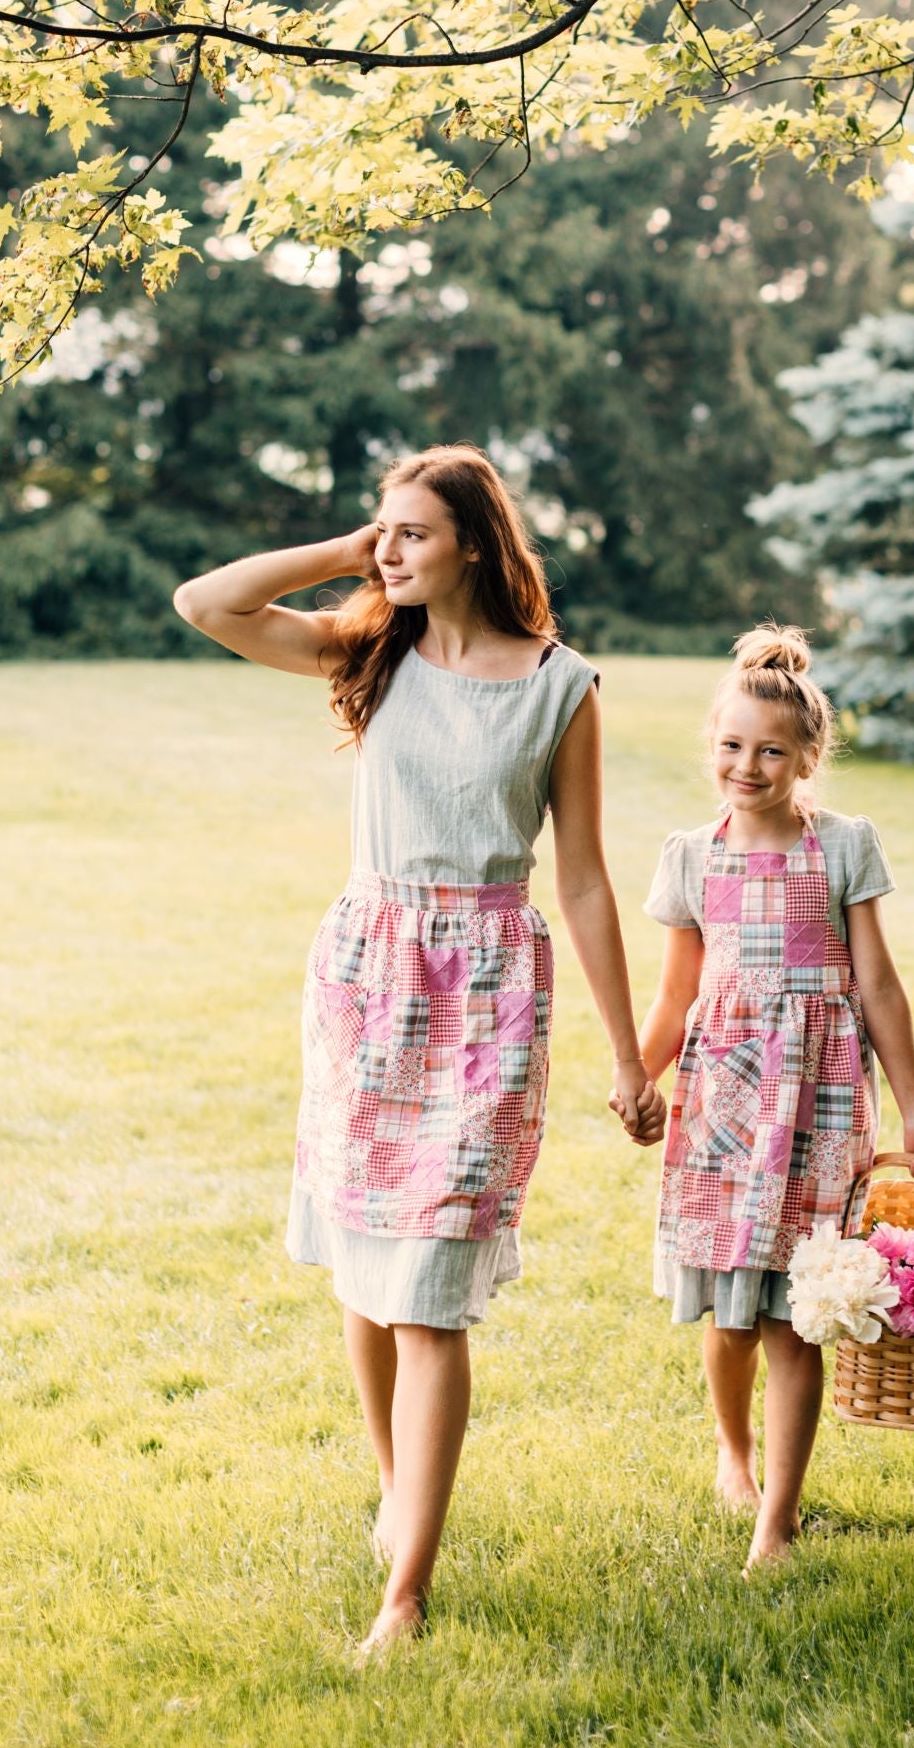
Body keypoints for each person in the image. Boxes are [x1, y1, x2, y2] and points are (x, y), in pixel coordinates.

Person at [173, 444, 665, 1649]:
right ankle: (397, 1491)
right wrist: (354, 557)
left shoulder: (562, 686)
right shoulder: (369, 649)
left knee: (431, 1289)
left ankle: (406, 1592)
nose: (390, 548)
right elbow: (207, 603)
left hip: (488, 984)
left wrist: (626, 1053)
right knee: (366, 1258)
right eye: (381, 529)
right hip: (367, 972)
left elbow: (590, 879)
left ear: (478, 546)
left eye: (413, 533)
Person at [637, 625, 914, 1570]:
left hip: (818, 1105)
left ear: (808, 757)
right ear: (713, 747)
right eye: (732, 746)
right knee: (731, 1312)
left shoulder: (846, 845)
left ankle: (778, 1516)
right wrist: (635, 1071)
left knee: (793, 1313)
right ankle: (733, 1451)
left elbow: (881, 985)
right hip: (724, 1104)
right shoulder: (691, 856)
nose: (749, 764)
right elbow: (674, 993)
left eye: (772, 749)